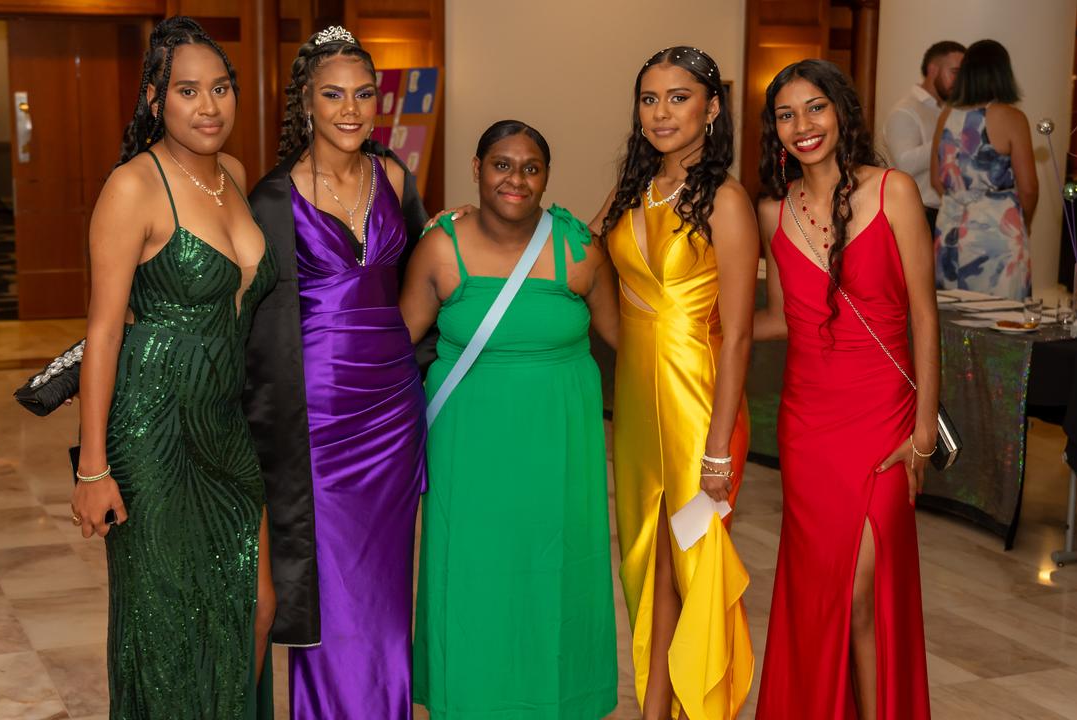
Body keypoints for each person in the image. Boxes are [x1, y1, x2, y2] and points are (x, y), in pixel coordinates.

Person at [72, 16, 276, 718]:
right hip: (152, 428)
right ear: (156, 100)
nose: (209, 106)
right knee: (165, 621)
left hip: (222, 419)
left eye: (220, 88)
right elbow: (102, 333)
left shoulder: (237, 177)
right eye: (188, 90)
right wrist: (93, 469)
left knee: (252, 604)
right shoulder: (135, 185)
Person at [402, 120, 620, 719]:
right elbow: (394, 343)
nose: (515, 179)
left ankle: (556, 702)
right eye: (502, 164)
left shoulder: (579, 250)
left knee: (557, 568)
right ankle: (467, 700)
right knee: (472, 571)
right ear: (476, 168)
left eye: (530, 167)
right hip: (468, 442)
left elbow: (629, 337)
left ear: (547, 177)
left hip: (560, 442)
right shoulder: (440, 247)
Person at [242, 26, 427, 719]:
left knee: (386, 587)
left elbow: (425, 282)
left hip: (391, 414)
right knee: (331, 586)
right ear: (307, 104)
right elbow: (253, 329)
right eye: (332, 95)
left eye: (362, 94)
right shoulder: (271, 199)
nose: (350, 109)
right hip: (316, 419)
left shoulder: (398, 179)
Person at [754, 59, 938, 719]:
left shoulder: (893, 193)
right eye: (786, 114)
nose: (803, 126)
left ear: (841, 112)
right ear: (774, 130)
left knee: (862, 592)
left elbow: (924, 315)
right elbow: (782, 317)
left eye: (815, 108)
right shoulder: (774, 213)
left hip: (885, 421)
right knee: (826, 596)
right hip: (809, 430)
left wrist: (922, 431)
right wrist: (696, 327)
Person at [594, 46, 757, 720]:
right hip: (635, 403)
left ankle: (704, 708)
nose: (662, 113)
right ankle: (655, 709)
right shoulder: (634, 189)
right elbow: (585, 258)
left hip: (700, 408)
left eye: (679, 97)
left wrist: (719, 446)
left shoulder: (725, 199)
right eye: (650, 99)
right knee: (645, 564)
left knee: (696, 563)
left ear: (711, 108)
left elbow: (741, 332)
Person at [930, 39, 1036, 300]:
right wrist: (1023, 223)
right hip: (996, 231)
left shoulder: (946, 115)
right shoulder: (1012, 118)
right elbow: (1029, 188)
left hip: (950, 229)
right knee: (999, 320)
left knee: (953, 319)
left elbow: (936, 178)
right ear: (1003, 74)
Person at [883, 40, 965, 235]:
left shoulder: (945, 110)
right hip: (918, 213)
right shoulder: (905, 111)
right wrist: (948, 138)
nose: (960, 81)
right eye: (955, 72)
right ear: (933, 70)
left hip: (945, 212)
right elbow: (905, 165)